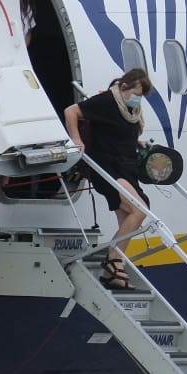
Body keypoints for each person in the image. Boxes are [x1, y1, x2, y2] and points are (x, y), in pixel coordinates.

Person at [62, 68, 153, 290]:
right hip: (107, 166)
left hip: (126, 166)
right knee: (139, 209)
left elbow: (120, 134)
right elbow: (71, 111)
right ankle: (112, 260)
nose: (138, 99)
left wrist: (136, 143)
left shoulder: (132, 110)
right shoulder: (106, 101)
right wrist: (76, 139)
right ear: (124, 87)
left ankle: (113, 271)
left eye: (141, 96)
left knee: (129, 220)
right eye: (136, 93)